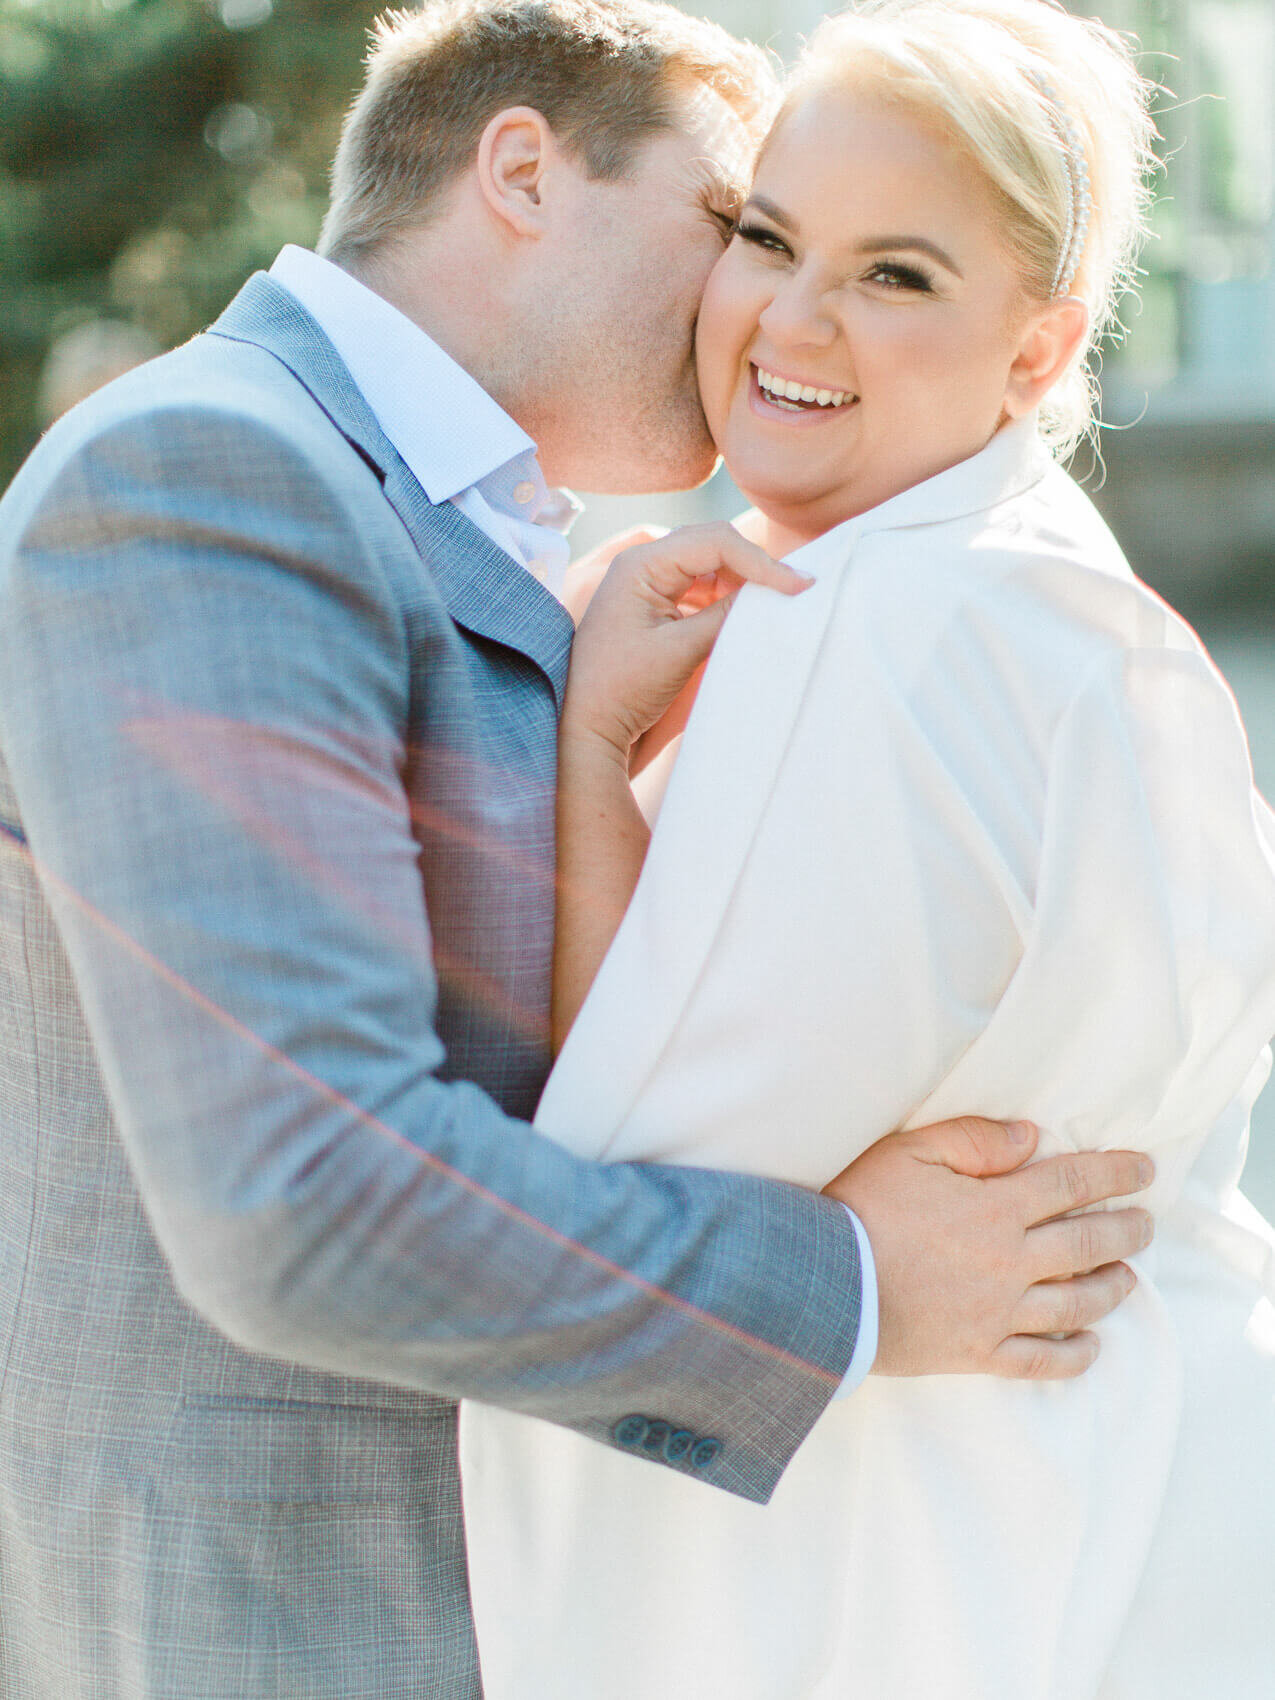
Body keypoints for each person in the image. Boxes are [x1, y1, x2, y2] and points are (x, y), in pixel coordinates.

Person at [0, 2, 1153, 1696]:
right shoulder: (211, 471)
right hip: (285, 1608)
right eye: (734, 227)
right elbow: (302, 1203)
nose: (743, 303)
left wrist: (592, 750)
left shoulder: (434, 528)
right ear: (525, 172)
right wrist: (852, 1285)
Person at [458, 2, 1275, 1696]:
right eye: (768, 235)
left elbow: (627, 1197)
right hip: (1101, 1538)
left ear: (1039, 354)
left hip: (903, 1593)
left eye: (897, 275)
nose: (790, 317)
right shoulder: (1051, 591)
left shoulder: (887, 623)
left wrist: (593, 760)